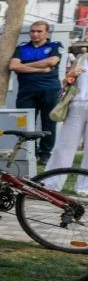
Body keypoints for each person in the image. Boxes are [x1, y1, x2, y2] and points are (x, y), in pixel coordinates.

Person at [10, 21, 64, 165]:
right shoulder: (22, 47)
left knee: (49, 122)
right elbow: (13, 65)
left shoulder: (55, 46)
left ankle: (45, 154)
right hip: (26, 91)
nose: (35, 34)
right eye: (32, 31)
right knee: (25, 123)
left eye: (39, 31)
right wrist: (40, 68)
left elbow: (52, 61)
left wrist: (24, 65)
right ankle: (30, 152)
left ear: (47, 33)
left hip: (50, 90)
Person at [48, 46, 88, 185]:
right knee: (64, 145)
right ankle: (52, 183)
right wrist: (72, 75)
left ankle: (85, 187)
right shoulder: (81, 58)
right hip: (77, 104)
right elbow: (67, 82)